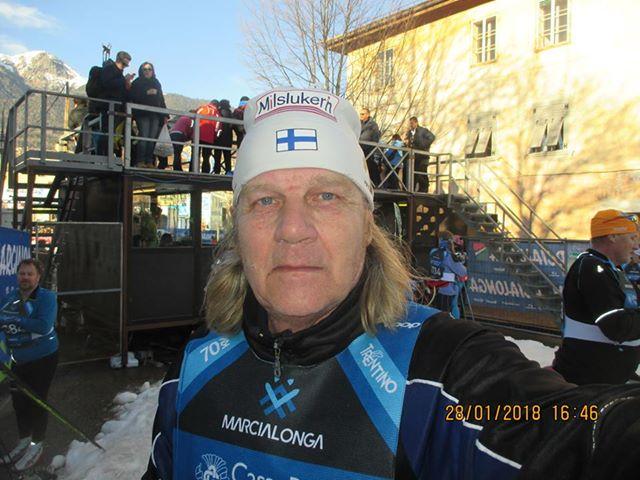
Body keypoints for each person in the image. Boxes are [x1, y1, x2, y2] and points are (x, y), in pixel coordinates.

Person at [143, 88, 640, 480]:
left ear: (367, 226)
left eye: (326, 197)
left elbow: (575, 433)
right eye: (265, 201)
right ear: (238, 229)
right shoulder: (192, 369)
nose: (293, 229)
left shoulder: (443, 376)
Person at [553, 209, 640, 385]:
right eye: (632, 238)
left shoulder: (613, 269)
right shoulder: (592, 267)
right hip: (587, 382)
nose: (636, 246)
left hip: (609, 379)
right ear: (612, 236)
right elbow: (617, 326)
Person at [0, 259, 58, 472]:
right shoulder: (9, 299)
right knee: (19, 402)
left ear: (38, 277)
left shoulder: (47, 298)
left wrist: (15, 320)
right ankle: (24, 440)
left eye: (29, 274)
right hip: (18, 359)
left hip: (43, 358)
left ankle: (37, 444)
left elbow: (43, 325)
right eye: (22, 273)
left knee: (37, 401)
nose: (25, 277)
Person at [129, 62, 167, 168]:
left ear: (153, 71)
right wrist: (146, 93)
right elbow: (133, 96)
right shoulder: (137, 82)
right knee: (144, 136)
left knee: (152, 138)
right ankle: (140, 161)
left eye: (149, 69)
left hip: (155, 114)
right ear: (141, 71)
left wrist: (165, 115)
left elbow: (161, 99)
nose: (147, 71)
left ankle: (149, 161)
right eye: (145, 69)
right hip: (142, 114)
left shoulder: (156, 82)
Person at [97, 51, 134, 155]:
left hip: (118, 108)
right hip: (108, 106)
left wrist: (127, 86)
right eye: (126, 60)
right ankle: (102, 155)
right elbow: (107, 84)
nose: (127, 63)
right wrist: (124, 81)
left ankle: (109, 154)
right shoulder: (109, 70)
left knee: (113, 133)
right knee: (107, 132)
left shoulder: (119, 73)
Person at [429, 230, 467, 318]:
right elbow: (462, 272)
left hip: (435, 288)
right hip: (447, 289)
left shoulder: (433, 252)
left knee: (437, 313)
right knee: (447, 314)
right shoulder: (449, 256)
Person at [406, 116, 435, 193]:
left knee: (422, 172)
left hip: (423, 156)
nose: (411, 125)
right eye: (410, 123)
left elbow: (432, 137)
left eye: (412, 123)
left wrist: (423, 146)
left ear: (416, 122)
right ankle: (413, 190)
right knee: (414, 174)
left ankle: (424, 189)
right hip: (414, 157)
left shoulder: (423, 130)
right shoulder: (410, 133)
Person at [195, 100, 221, 173]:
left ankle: (193, 171)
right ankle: (205, 172)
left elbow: (194, 118)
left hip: (197, 135)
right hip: (209, 138)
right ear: (217, 106)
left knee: (195, 155)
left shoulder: (202, 108)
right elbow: (218, 127)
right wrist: (215, 137)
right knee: (206, 157)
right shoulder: (217, 113)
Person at [359, 107, 381, 186]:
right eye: (360, 114)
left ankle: (375, 184)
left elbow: (376, 138)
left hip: (368, 149)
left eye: (362, 114)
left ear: (368, 115)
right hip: (359, 148)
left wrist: (373, 148)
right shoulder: (359, 123)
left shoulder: (373, 125)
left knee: (370, 166)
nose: (361, 115)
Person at [213, 99, 233, 174]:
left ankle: (216, 172)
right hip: (228, 139)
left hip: (218, 138)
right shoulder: (230, 113)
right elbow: (232, 125)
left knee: (217, 157)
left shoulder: (217, 112)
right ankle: (228, 172)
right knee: (227, 157)